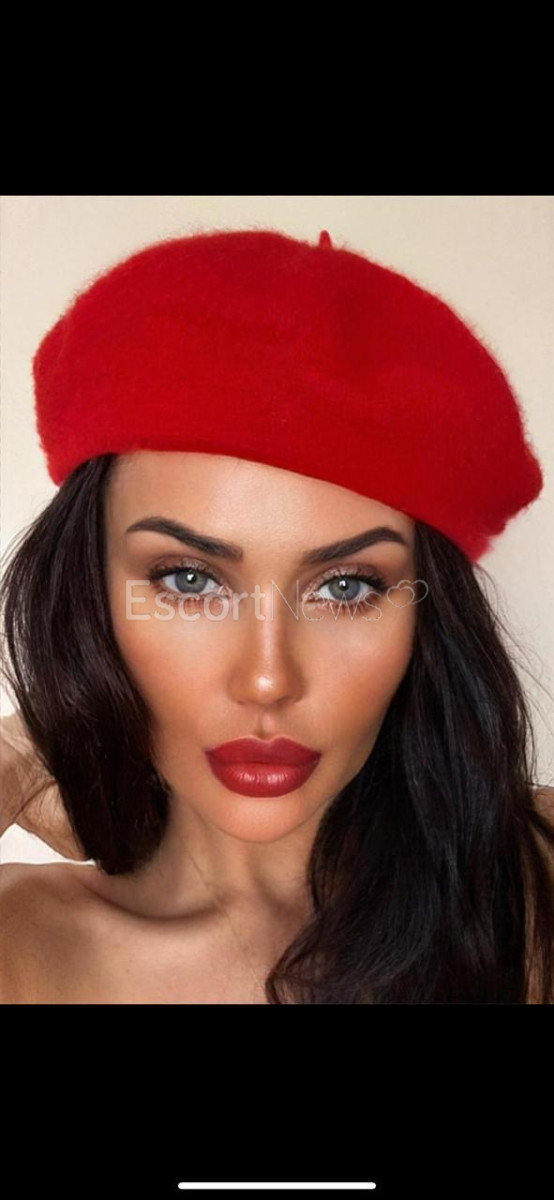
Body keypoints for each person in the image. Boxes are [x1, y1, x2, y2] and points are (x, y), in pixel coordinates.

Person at [1, 226, 553, 1004]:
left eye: (347, 587)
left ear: (427, 622)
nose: (267, 679)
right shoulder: (22, 943)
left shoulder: (530, 892)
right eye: (190, 579)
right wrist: (19, 753)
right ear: (88, 597)